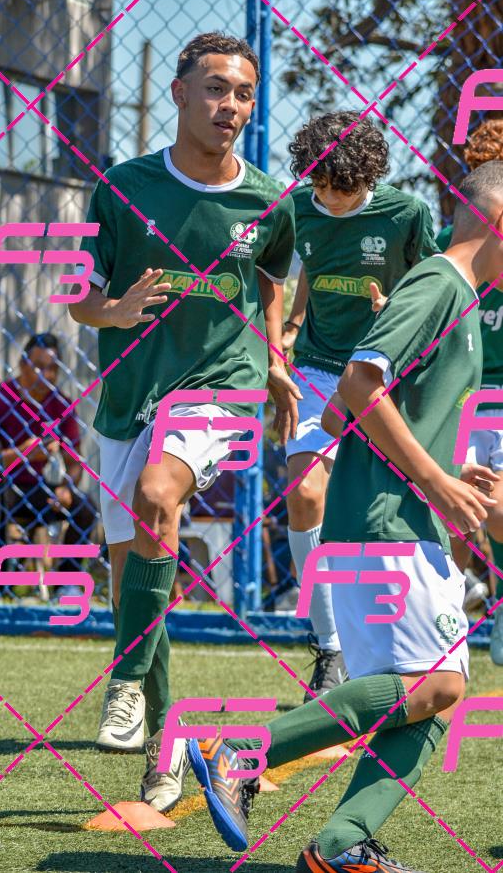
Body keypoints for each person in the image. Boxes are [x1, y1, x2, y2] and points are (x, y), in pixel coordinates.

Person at [187, 161, 503, 872]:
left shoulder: (455, 294)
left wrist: (445, 471)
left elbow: (344, 409)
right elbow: (360, 383)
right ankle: (241, 750)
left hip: (395, 516)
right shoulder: (439, 284)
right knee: (440, 685)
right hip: (388, 519)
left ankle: (340, 846)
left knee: (430, 697)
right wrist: (433, 480)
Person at [69, 31, 298, 813]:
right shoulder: (122, 188)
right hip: (129, 395)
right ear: (179, 93)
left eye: (243, 93)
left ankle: (123, 681)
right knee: (137, 584)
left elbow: (271, 279)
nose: (230, 105)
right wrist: (115, 310)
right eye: (215, 88)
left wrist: (274, 357)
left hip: (219, 386)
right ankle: (165, 745)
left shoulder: (268, 200)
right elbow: (81, 298)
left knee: (159, 494)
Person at [281, 111, 439, 697]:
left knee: (384, 513)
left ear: (368, 177)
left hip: (383, 374)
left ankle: (413, 637)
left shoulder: (406, 215)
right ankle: (330, 650)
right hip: (318, 369)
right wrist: (291, 325)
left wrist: (394, 311)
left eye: (342, 190)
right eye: (320, 186)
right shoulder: (296, 210)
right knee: (304, 493)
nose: (330, 200)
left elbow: (435, 289)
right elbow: (303, 266)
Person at [435, 119, 503, 664]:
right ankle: (444, 618)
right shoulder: (448, 246)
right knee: (449, 509)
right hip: (460, 392)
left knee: (496, 503)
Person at [0, 333, 97, 570]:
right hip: (0, 485)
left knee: (85, 508)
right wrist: (24, 452)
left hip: (38, 487)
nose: (46, 375)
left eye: (53, 368)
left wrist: (66, 486)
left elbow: (75, 463)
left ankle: (66, 580)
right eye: (39, 367)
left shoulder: (61, 404)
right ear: (22, 364)